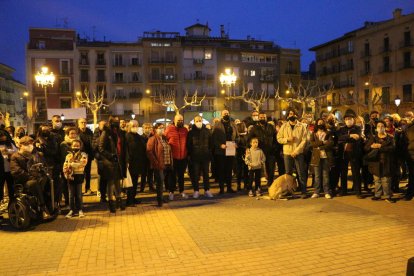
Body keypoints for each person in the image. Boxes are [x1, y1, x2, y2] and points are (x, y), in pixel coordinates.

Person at [10, 136, 50, 219]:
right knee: (34, 183)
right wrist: (31, 176)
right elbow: (17, 171)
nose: (30, 146)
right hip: (23, 181)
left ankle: (50, 204)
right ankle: (43, 208)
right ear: (20, 145)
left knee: (49, 180)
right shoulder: (15, 156)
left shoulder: (35, 155)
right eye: (27, 144)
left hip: (36, 178)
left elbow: (43, 166)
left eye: (31, 144)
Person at [277, 109, 309, 198]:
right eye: (290, 113)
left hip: (298, 153)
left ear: (296, 115)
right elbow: (279, 138)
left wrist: (296, 151)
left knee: (301, 172)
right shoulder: (284, 126)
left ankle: (303, 191)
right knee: (288, 173)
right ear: (288, 115)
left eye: (293, 113)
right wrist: (287, 139)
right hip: (287, 152)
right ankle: (288, 190)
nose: (292, 115)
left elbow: (304, 140)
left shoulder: (302, 126)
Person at [98, 116, 126, 213]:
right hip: (109, 162)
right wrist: (110, 156)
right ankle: (111, 203)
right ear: (110, 122)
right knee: (110, 183)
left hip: (118, 161)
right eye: (115, 121)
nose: (117, 123)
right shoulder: (106, 133)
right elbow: (101, 148)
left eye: (118, 121)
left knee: (118, 182)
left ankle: (119, 200)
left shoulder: (118, 132)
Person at [364, 121, 396, 203]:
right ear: (376, 128)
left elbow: (393, 148)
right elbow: (366, 148)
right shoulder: (373, 138)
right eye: (378, 126)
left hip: (387, 161)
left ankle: (387, 195)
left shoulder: (390, 137)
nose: (380, 128)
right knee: (377, 180)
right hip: (375, 162)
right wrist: (371, 146)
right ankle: (377, 195)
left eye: (382, 126)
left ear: (385, 127)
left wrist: (380, 147)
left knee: (386, 180)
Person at [337, 111, 364, 198]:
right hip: (343, 153)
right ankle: (343, 190)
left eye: (350, 119)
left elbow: (357, 138)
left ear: (353, 120)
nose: (348, 121)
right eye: (346, 119)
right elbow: (339, 139)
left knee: (356, 172)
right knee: (343, 173)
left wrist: (348, 138)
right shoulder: (341, 129)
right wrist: (350, 136)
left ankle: (358, 192)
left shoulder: (357, 128)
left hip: (354, 152)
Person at [212, 110, 239, 194]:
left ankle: (229, 187)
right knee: (221, 170)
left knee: (229, 169)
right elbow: (213, 138)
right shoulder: (217, 125)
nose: (226, 115)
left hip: (231, 147)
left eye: (227, 113)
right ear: (221, 115)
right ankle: (221, 188)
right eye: (224, 114)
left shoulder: (233, 124)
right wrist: (220, 145)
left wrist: (236, 143)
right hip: (221, 150)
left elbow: (237, 136)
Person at [248, 111, 278, 187]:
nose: (262, 119)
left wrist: (274, 147)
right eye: (261, 117)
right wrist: (249, 148)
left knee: (271, 168)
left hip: (270, 150)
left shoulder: (271, 127)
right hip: (259, 151)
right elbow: (249, 138)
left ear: (266, 118)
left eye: (264, 117)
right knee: (258, 169)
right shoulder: (255, 128)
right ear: (258, 118)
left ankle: (270, 182)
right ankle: (258, 185)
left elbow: (275, 137)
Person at [187, 115, 214, 198]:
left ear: (202, 121)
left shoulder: (207, 131)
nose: (199, 122)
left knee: (206, 174)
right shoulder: (191, 132)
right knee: (195, 175)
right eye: (197, 121)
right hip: (195, 157)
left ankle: (207, 190)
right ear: (194, 122)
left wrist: (209, 153)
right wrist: (190, 155)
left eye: (200, 120)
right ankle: (196, 191)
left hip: (205, 156)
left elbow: (211, 143)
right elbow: (189, 145)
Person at [146, 123, 173, 207]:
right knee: (160, 182)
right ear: (155, 129)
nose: (162, 129)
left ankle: (161, 197)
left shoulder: (164, 138)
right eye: (160, 128)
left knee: (163, 182)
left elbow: (168, 149)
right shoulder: (152, 139)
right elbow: (149, 151)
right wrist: (156, 163)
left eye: (163, 128)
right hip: (159, 164)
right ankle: (159, 200)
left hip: (166, 163)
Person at [165, 114, 189, 200]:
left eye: (181, 120)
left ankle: (182, 191)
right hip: (173, 157)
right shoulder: (169, 129)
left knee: (181, 176)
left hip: (183, 157)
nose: (180, 122)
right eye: (178, 120)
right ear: (174, 120)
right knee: (172, 176)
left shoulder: (185, 130)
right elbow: (165, 140)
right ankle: (171, 192)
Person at [63, 139, 88, 218]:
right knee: (71, 194)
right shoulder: (68, 155)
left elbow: (82, 163)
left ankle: (80, 209)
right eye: (74, 145)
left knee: (79, 194)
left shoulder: (83, 154)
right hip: (70, 176)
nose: (75, 147)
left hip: (79, 175)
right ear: (71, 146)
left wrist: (72, 164)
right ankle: (71, 210)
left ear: (80, 146)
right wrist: (65, 171)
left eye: (77, 145)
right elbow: (65, 164)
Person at [310, 119, 334, 199]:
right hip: (316, 155)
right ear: (316, 124)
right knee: (317, 175)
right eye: (318, 122)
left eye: (321, 122)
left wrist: (320, 147)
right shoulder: (314, 134)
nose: (320, 124)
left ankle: (326, 191)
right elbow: (312, 144)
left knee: (325, 175)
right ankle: (316, 191)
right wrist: (323, 142)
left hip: (326, 155)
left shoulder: (328, 133)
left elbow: (330, 143)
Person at [125, 120, 146, 206]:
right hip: (131, 163)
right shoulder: (127, 136)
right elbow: (126, 150)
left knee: (135, 182)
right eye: (133, 125)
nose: (135, 127)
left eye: (137, 125)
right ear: (129, 127)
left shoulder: (138, 136)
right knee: (130, 183)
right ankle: (129, 200)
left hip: (138, 163)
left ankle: (133, 198)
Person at [77, 118, 94, 194]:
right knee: (80, 173)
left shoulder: (89, 132)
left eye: (84, 122)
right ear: (78, 124)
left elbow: (92, 143)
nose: (83, 124)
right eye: (81, 122)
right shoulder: (77, 132)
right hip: (79, 156)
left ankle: (88, 188)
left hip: (88, 156)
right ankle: (79, 189)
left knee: (88, 173)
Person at [0, 127, 17, 204]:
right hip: (1, 170)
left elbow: (16, 151)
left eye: (4, 135)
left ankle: (12, 208)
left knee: (12, 189)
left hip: (10, 169)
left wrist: (8, 151)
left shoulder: (10, 143)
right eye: (1, 136)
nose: (3, 137)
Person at [93, 120, 107, 202]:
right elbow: (94, 146)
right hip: (101, 159)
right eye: (103, 125)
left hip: (109, 159)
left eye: (105, 124)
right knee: (102, 178)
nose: (104, 126)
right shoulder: (96, 133)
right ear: (99, 125)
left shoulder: (109, 133)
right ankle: (102, 195)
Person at [401, 116, 414, 200]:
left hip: (410, 153)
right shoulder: (409, 127)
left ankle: (410, 193)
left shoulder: (409, 127)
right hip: (411, 153)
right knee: (412, 175)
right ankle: (410, 193)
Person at [140, 123, 155, 193]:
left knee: (150, 173)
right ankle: (142, 187)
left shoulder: (153, 137)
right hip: (143, 158)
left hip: (151, 158)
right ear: (143, 129)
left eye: (149, 128)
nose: (147, 129)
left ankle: (151, 186)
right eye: (146, 128)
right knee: (143, 174)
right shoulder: (140, 137)